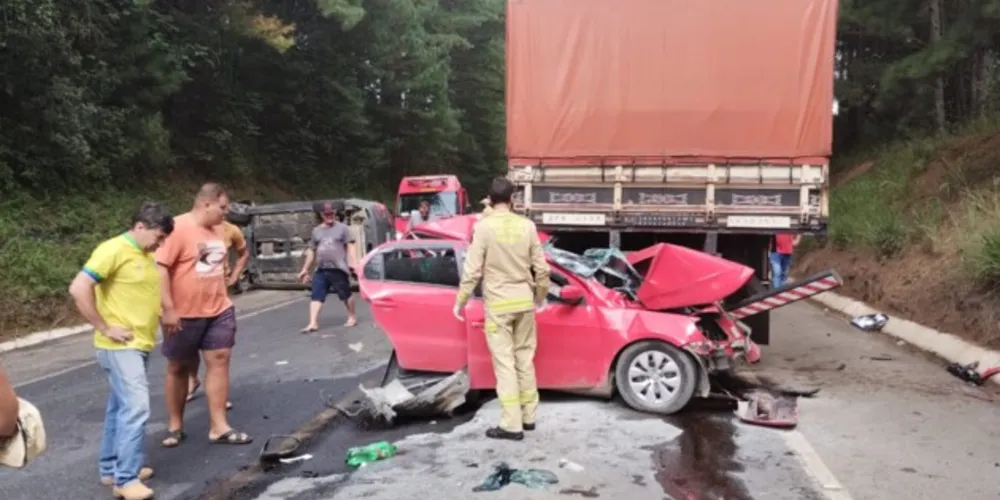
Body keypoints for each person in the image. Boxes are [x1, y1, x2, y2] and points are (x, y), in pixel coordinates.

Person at [68, 202, 174, 499]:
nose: (160, 243)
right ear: (140, 226)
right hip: (119, 347)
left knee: (120, 408)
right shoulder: (113, 249)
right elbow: (79, 288)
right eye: (159, 236)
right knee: (137, 407)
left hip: (138, 344)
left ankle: (111, 469)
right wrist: (104, 327)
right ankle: (125, 480)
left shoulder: (143, 253)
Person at [453, 177, 550, 441]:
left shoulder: (483, 228)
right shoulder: (527, 226)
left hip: (498, 305)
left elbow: (472, 271)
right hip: (524, 303)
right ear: (513, 199)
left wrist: (460, 301)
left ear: (489, 199)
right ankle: (529, 417)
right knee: (525, 360)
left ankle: (511, 424)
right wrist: (539, 297)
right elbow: (542, 270)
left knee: (504, 364)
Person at [157, 183, 252, 448]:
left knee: (220, 360)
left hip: (218, 308)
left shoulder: (222, 229)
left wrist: (232, 277)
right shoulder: (177, 228)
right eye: (222, 208)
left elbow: (235, 256)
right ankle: (175, 425)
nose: (226, 213)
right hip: (183, 313)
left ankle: (219, 426)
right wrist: (168, 309)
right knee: (178, 366)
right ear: (205, 204)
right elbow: (160, 269)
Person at [186, 220, 248, 407]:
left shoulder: (231, 230)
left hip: (219, 292)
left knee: (218, 349)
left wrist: (236, 274)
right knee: (189, 345)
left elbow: (243, 252)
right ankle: (192, 379)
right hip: (191, 292)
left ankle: (218, 395)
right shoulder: (188, 227)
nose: (223, 212)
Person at [298, 202, 359, 332]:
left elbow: (351, 245)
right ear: (322, 215)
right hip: (321, 269)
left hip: (338, 268)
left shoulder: (342, 228)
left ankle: (352, 316)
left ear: (335, 214)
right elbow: (312, 251)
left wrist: (353, 262)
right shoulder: (316, 231)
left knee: (345, 294)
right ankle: (313, 323)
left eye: (331, 213)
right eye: (327, 214)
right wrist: (305, 269)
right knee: (316, 295)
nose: (330, 216)